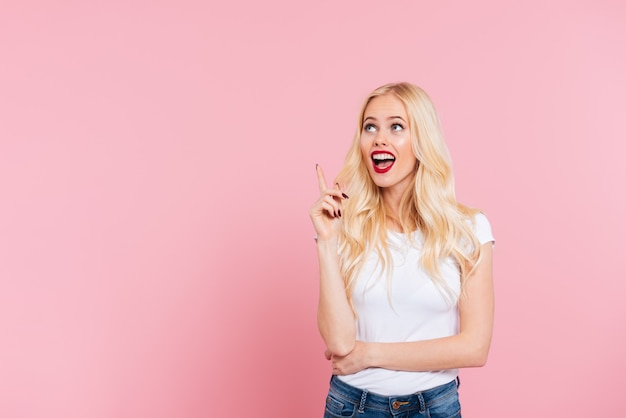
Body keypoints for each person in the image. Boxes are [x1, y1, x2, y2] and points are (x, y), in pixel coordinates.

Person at [309, 82, 495, 417]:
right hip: (352, 406)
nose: (379, 138)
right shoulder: (344, 226)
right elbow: (338, 344)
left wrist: (370, 354)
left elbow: (475, 348)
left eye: (397, 126)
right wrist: (326, 241)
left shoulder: (468, 228)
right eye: (370, 127)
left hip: (434, 407)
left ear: (422, 140)